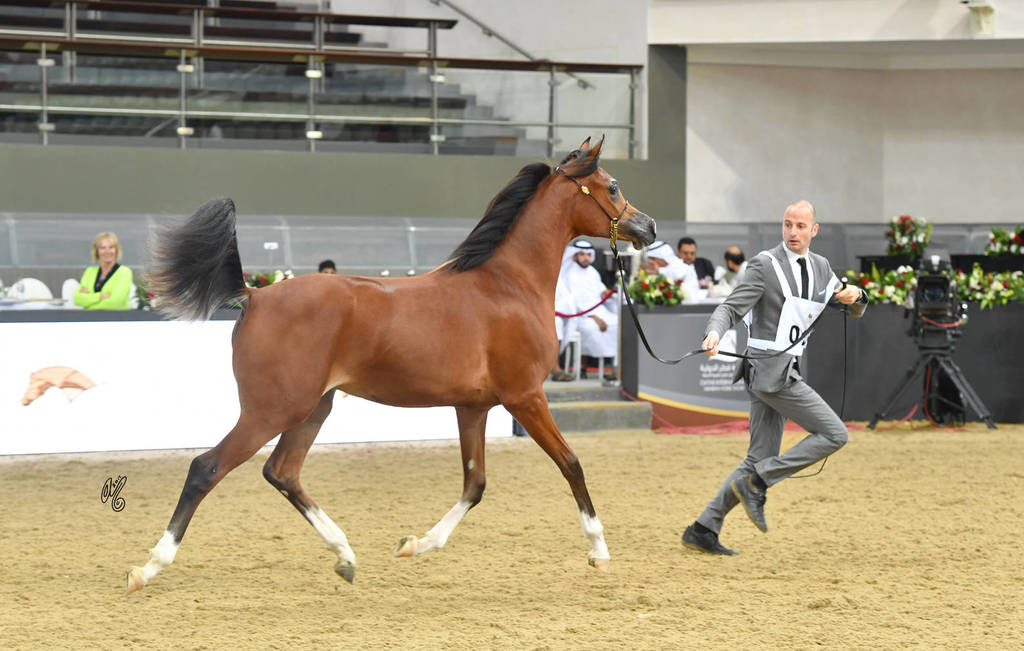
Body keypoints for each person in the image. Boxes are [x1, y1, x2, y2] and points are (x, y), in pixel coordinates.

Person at [681, 199, 867, 556]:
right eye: (787, 225)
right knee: (834, 434)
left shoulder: (821, 267)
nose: (792, 232)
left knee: (757, 456)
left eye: (800, 226)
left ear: (814, 230)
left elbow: (852, 308)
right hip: (767, 372)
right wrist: (715, 332)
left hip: (784, 369)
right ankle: (760, 481)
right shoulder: (763, 265)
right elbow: (730, 307)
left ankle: (704, 527)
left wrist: (856, 295)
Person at [558, 239, 617, 377]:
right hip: (579, 315)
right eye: (582, 254)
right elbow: (572, 302)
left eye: (588, 255)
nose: (586, 258)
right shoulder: (568, 273)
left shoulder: (592, 272)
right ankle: (583, 366)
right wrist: (594, 317)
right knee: (591, 328)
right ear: (575, 255)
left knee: (617, 324)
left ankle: (615, 369)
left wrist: (606, 292)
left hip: (599, 311)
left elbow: (600, 291)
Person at [73, 231, 133, 310]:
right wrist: (100, 296)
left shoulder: (124, 272)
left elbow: (115, 303)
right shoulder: (89, 272)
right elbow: (77, 299)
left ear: (116, 250)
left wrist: (88, 304)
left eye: (111, 247)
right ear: (97, 251)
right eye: (103, 248)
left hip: (117, 319)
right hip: (91, 320)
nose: (107, 251)